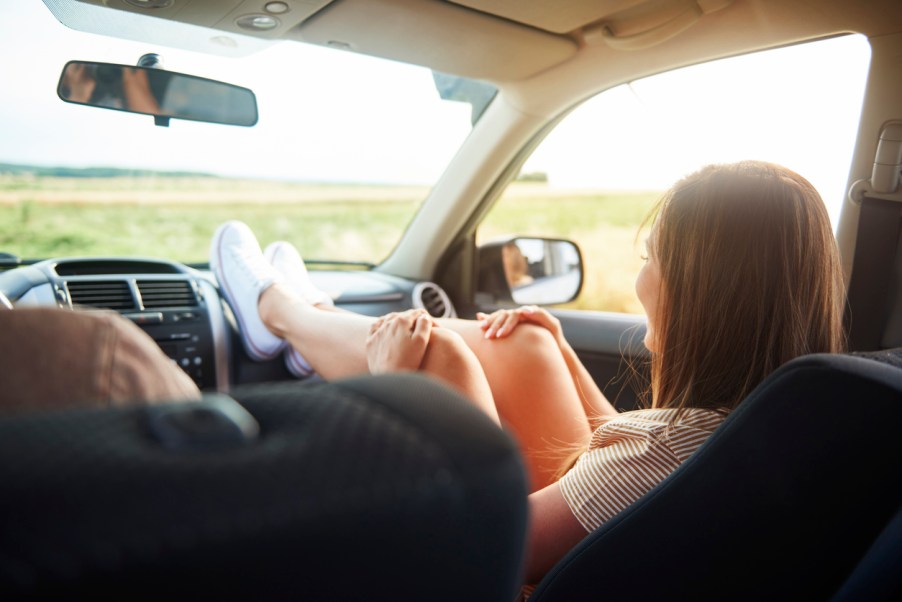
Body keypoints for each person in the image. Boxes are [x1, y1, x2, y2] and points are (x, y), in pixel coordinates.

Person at [209, 160, 846, 585]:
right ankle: (310, 319)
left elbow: (491, 544)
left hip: (508, 576)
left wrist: (395, 389)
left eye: (650, 259)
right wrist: (561, 350)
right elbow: (637, 460)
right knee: (528, 345)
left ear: (700, 293)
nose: (642, 277)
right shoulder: (788, 417)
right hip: (602, 560)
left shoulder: (665, 452)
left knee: (437, 353)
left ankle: (279, 312)